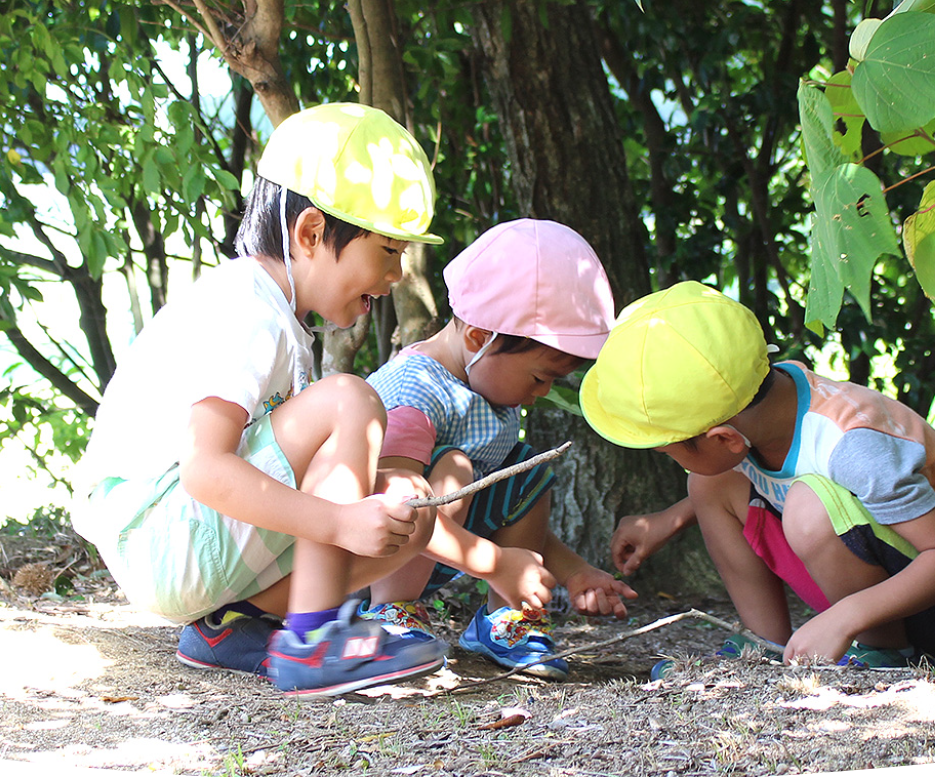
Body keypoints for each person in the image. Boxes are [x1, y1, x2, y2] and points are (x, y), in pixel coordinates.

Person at [69, 103, 452, 699]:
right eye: (388, 251)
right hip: (161, 532)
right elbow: (205, 469)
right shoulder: (248, 309)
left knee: (413, 514)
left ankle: (236, 627)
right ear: (310, 234)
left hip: (182, 540)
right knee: (353, 400)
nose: (399, 273)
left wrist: (360, 513)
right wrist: (342, 520)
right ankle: (314, 640)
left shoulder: (279, 316)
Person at [581, 282, 935, 668]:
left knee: (808, 504)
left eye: (669, 451)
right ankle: (764, 644)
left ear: (724, 439)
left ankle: (883, 652)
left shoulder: (850, 443)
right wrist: (670, 519)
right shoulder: (760, 408)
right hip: (881, 580)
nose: (670, 460)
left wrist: (846, 617)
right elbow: (746, 473)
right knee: (708, 480)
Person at [360, 219, 638, 679]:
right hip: (365, 559)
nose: (543, 392)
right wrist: (493, 564)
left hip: (440, 544)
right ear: (478, 337)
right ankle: (388, 614)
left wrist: (575, 573)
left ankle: (504, 620)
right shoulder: (415, 393)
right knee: (453, 467)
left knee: (524, 471)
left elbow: (508, 511)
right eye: (539, 377)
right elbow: (397, 508)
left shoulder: (488, 394)